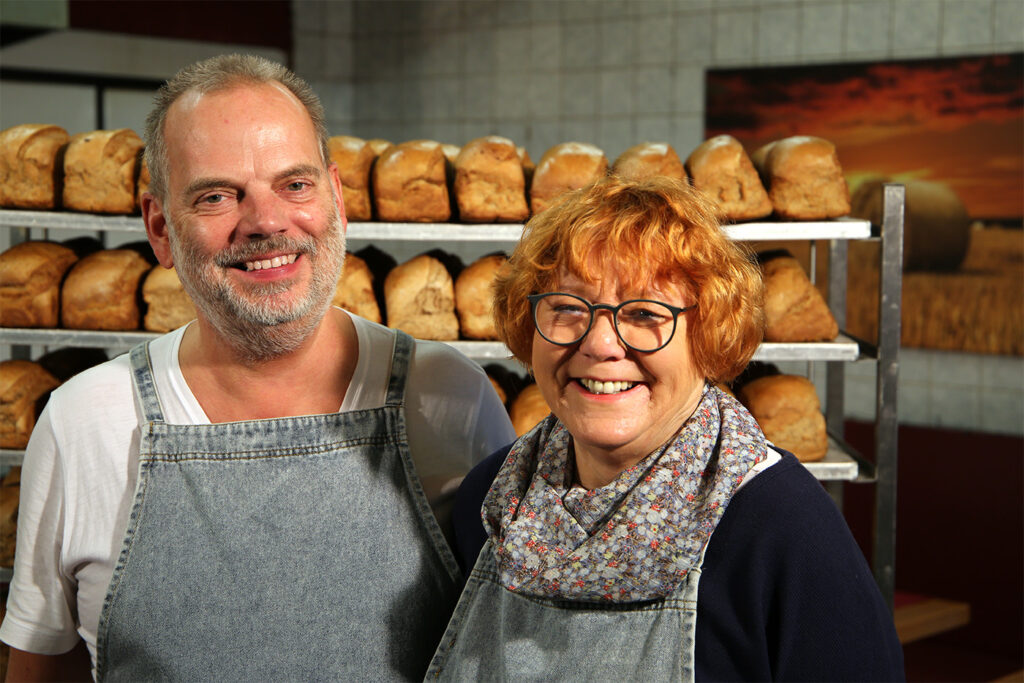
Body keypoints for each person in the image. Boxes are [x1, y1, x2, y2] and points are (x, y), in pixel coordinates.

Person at [0, 54, 514, 682]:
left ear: (338, 202)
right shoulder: (85, 424)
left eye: (294, 185)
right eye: (217, 196)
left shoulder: (451, 400)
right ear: (160, 229)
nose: (267, 222)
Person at [429, 176, 905, 681]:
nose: (601, 344)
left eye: (643, 313)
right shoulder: (489, 500)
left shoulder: (784, 530)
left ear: (708, 336)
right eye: (567, 308)